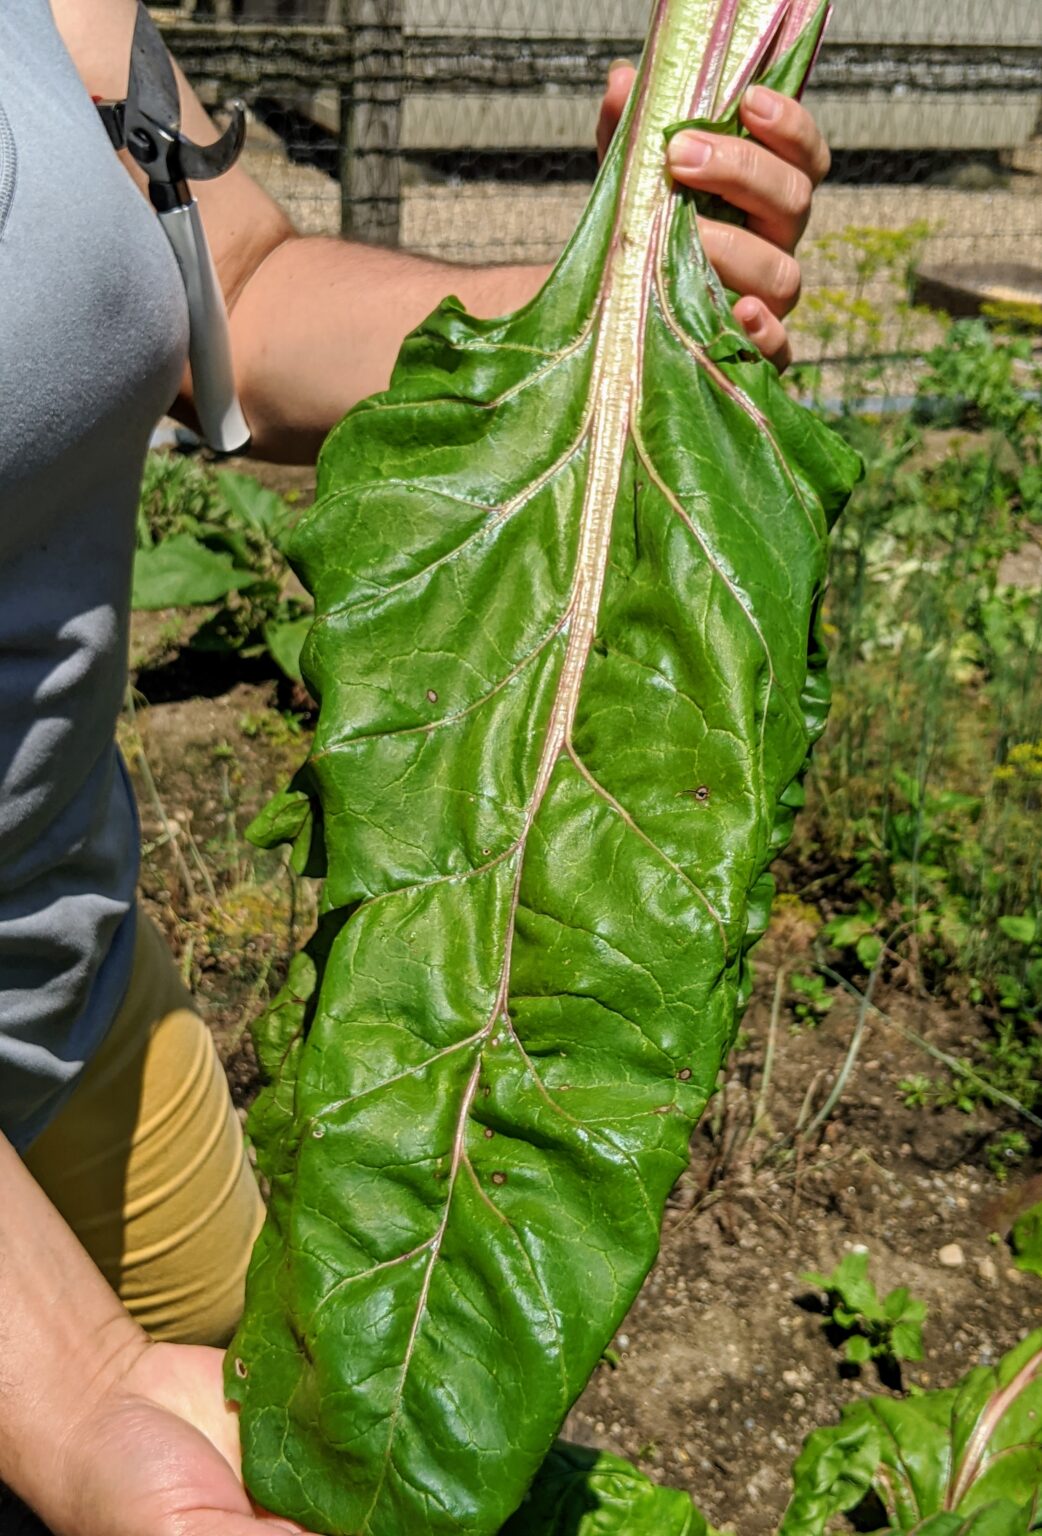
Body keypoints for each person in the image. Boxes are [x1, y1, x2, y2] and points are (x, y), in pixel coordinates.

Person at [0, 1, 832, 1531]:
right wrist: (70, 1389)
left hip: (81, 1006)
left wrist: (597, 307)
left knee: (330, 1430)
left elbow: (229, 287)